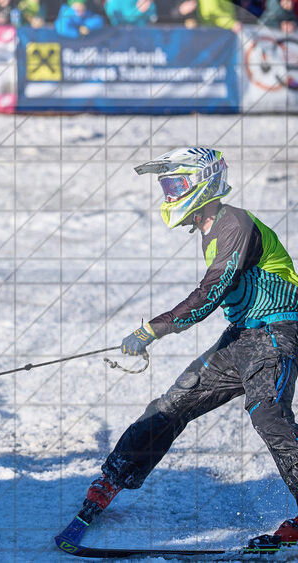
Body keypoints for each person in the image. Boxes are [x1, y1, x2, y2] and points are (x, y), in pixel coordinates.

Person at [78, 147, 298, 548]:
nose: (168, 194)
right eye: (167, 185)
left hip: (275, 333)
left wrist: (153, 330)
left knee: (270, 417)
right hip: (243, 337)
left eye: (175, 184)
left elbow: (211, 292)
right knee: (172, 404)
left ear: (203, 183)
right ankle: (112, 479)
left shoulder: (234, 223)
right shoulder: (211, 228)